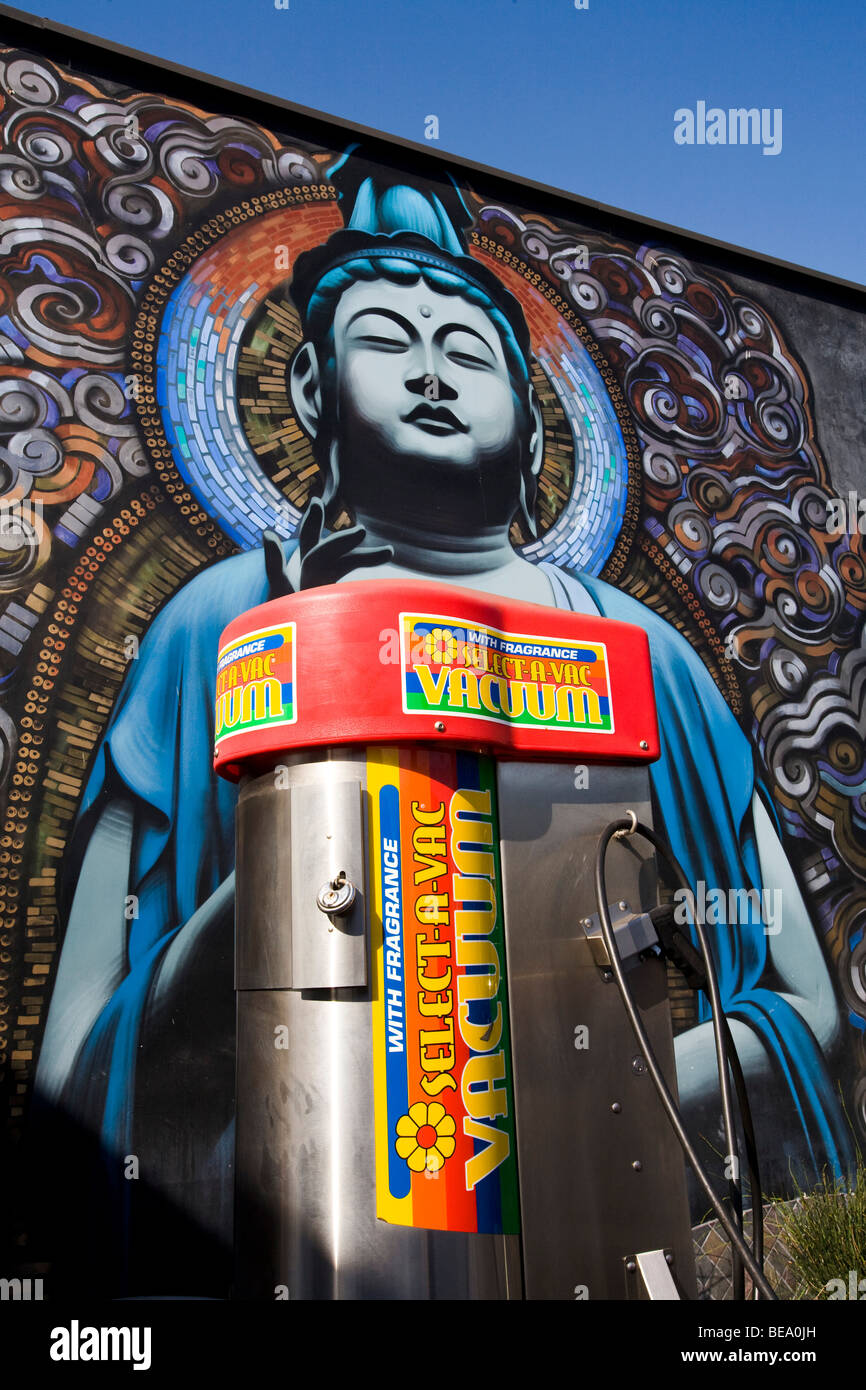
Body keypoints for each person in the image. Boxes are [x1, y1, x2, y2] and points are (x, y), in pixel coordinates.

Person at [33, 159, 853, 1293]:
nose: (429, 370)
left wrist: (545, 1102)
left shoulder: (644, 659)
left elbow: (802, 1014)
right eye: (382, 339)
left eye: (466, 350)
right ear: (313, 393)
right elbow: (77, 1067)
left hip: (598, 1240)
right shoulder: (221, 627)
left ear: (528, 416)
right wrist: (295, 863)